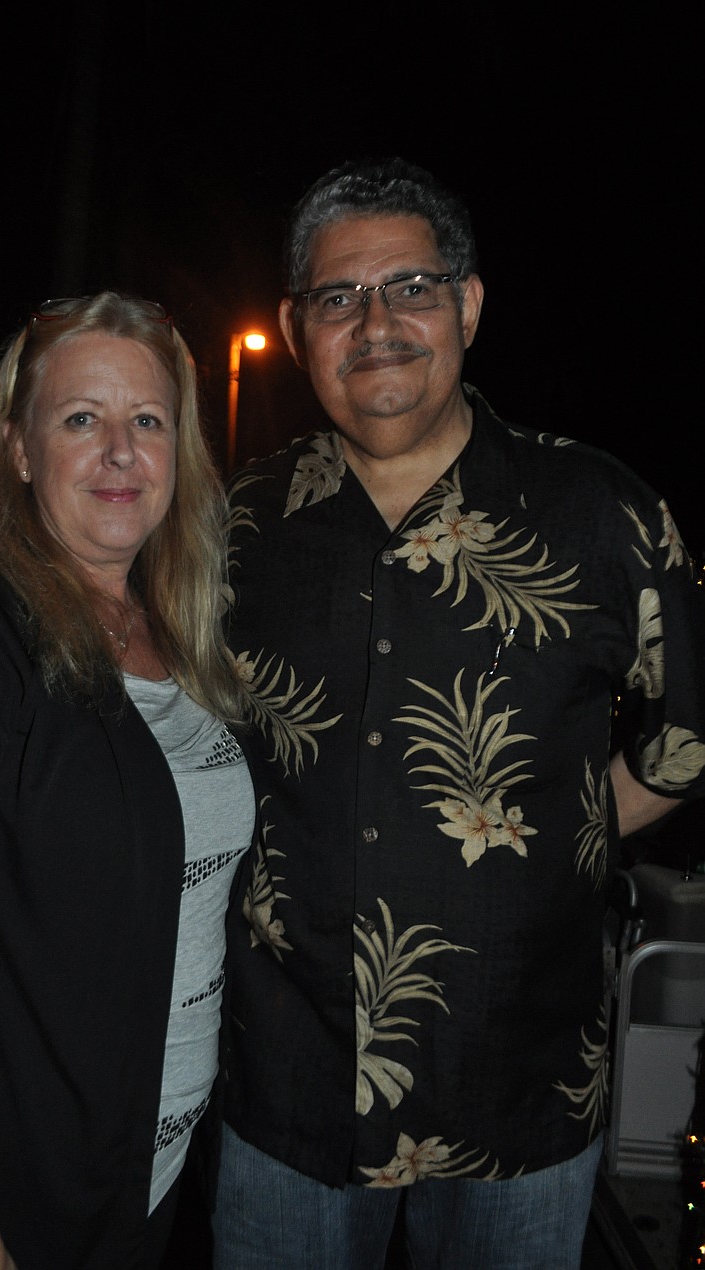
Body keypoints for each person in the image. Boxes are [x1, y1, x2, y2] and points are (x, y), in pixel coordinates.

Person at [212, 157, 705, 1269]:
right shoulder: (234, 526)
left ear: (469, 306)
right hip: (288, 1090)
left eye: (411, 287)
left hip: (523, 1089)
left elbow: (685, 739)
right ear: (295, 330)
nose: (375, 324)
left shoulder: (599, 510)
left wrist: (551, 834)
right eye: (338, 297)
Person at [0, 292, 255, 1270]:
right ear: (18, 451)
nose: (120, 451)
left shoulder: (176, 634)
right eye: (81, 418)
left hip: (141, 1188)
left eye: (147, 421)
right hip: (3, 1204)